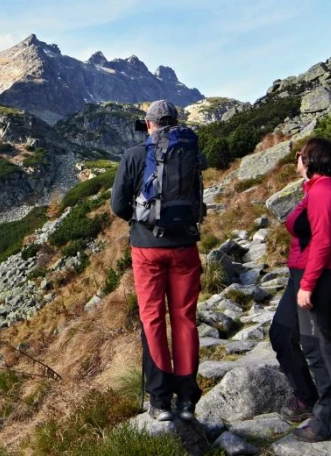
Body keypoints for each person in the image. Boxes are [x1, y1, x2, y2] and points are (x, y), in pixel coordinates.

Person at [110, 100, 203, 422]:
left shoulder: (134, 155)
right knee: (184, 319)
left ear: (149, 124)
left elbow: (118, 205)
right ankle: (188, 399)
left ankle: (161, 401)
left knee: (153, 319)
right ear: (174, 123)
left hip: (147, 249)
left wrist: (140, 223)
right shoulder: (189, 152)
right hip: (185, 248)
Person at [268, 137, 331, 442]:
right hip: (304, 275)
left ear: (313, 160)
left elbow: (324, 242)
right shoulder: (313, 189)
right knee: (281, 333)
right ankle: (309, 397)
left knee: (317, 346)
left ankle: (329, 419)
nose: (296, 160)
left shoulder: (325, 190)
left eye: (301, 156)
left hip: (320, 277)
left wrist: (307, 285)